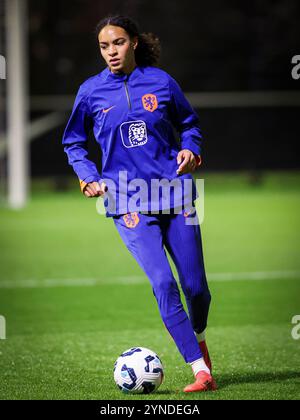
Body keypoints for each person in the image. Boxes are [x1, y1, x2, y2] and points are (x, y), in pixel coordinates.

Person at [62, 15, 216, 392]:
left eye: (117, 43)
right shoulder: (90, 92)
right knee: (163, 282)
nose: (110, 52)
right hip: (126, 199)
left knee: (195, 288)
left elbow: (190, 124)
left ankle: (198, 336)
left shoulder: (162, 83)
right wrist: (87, 175)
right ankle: (201, 370)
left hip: (175, 193)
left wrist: (190, 149)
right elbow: (74, 142)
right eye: (103, 46)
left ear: (133, 43)